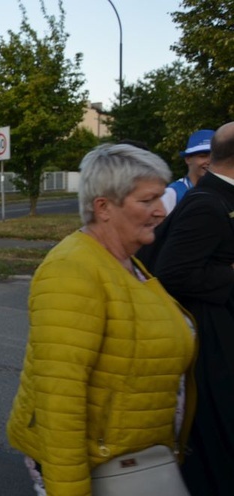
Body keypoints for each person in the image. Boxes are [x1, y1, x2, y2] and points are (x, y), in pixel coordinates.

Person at [6, 144, 196, 495]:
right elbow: (59, 402)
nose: (160, 211)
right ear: (104, 207)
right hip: (108, 470)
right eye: (147, 201)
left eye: (161, 198)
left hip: (142, 461)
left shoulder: (125, 261)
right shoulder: (72, 270)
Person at [150, 122, 234, 495]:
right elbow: (174, 272)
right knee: (214, 443)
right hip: (211, 345)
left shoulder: (218, 198)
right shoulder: (208, 203)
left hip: (217, 336)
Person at [161, 129, 214, 214]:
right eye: (203, 156)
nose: (209, 161)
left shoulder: (225, 191)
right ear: (188, 159)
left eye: (214, 156)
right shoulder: (173, 193)